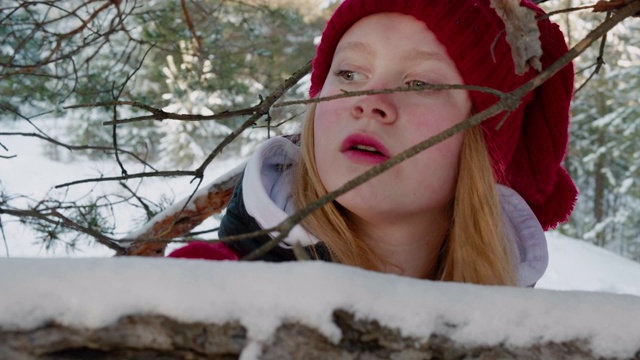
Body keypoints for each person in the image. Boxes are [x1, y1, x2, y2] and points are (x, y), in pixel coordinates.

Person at [169, 0, 577, 287]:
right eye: (348, 73)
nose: (369, 103)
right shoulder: (216, 294)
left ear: (485, 144)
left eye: (420, 83)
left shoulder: (521, 335)